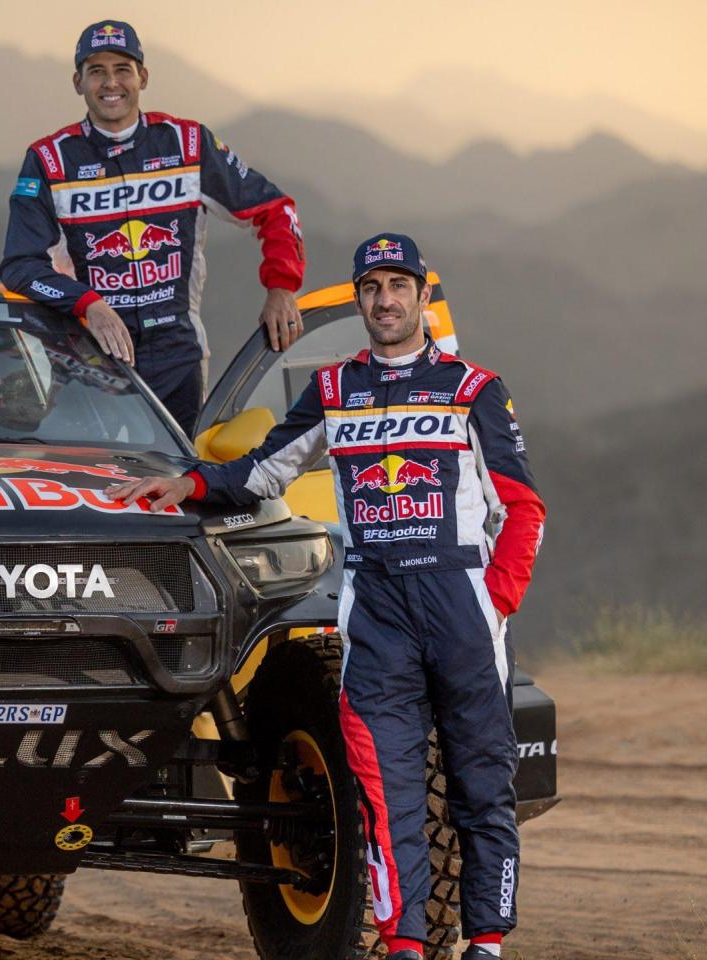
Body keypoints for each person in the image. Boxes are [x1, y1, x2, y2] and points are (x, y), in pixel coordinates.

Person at [105, 234, 543, 960]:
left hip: (461, 603)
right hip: (376, 611)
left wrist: (497, 600)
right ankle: (404, 944)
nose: (385, 300)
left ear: (423, 297)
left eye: (399, 285)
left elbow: (522, 507)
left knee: (481, 784)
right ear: (361, 299)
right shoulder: (336, 391)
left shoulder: (473, 388)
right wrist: (190, 484)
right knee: (385, 791)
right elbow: (262, 471)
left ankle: (488, 940)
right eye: (372, 287)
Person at [0, 18, 307, 433]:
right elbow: (20, 267)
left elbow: (277, 210)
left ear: (142, 77)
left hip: (177, 354)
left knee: (174, 481)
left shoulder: (187, 144)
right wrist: (88, 303)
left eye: (122, 69)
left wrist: (282, 287)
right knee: (95, 483)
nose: (111, 83)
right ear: (78, 82)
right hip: (88, 352)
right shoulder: (49, 160)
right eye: (97, 72)